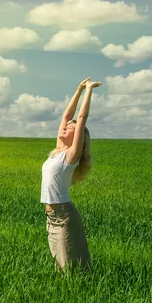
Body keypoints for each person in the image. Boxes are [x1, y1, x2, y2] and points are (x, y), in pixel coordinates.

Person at [41, 77, 101, 272]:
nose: (66, 127)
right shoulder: (58, 150)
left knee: (70, 267)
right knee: (60, 266)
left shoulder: (70, 156)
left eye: (71, 129)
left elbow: (81, 118)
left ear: (78, 137)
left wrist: (89, 90)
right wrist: (78, 89)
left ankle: (85, 292)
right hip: (51, 217)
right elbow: (66, 117)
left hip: (64, 216)